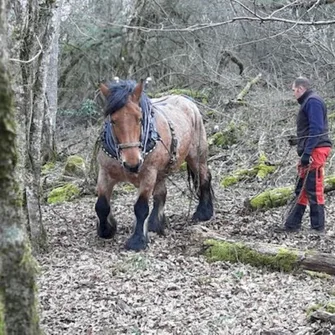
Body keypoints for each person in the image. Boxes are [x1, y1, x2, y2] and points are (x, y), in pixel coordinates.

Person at [283, 77, 332, 233]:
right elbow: (311, 130)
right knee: (301, 188)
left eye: (293, 90)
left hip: (316, 150)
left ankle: (318, 227)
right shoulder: (309, 101)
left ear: (300, 88)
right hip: (311, 149)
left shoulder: (313, 102)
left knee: (313, 188)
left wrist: (308, 152)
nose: (293, 94)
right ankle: (292, 224)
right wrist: (298, 141)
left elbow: (316, 130)